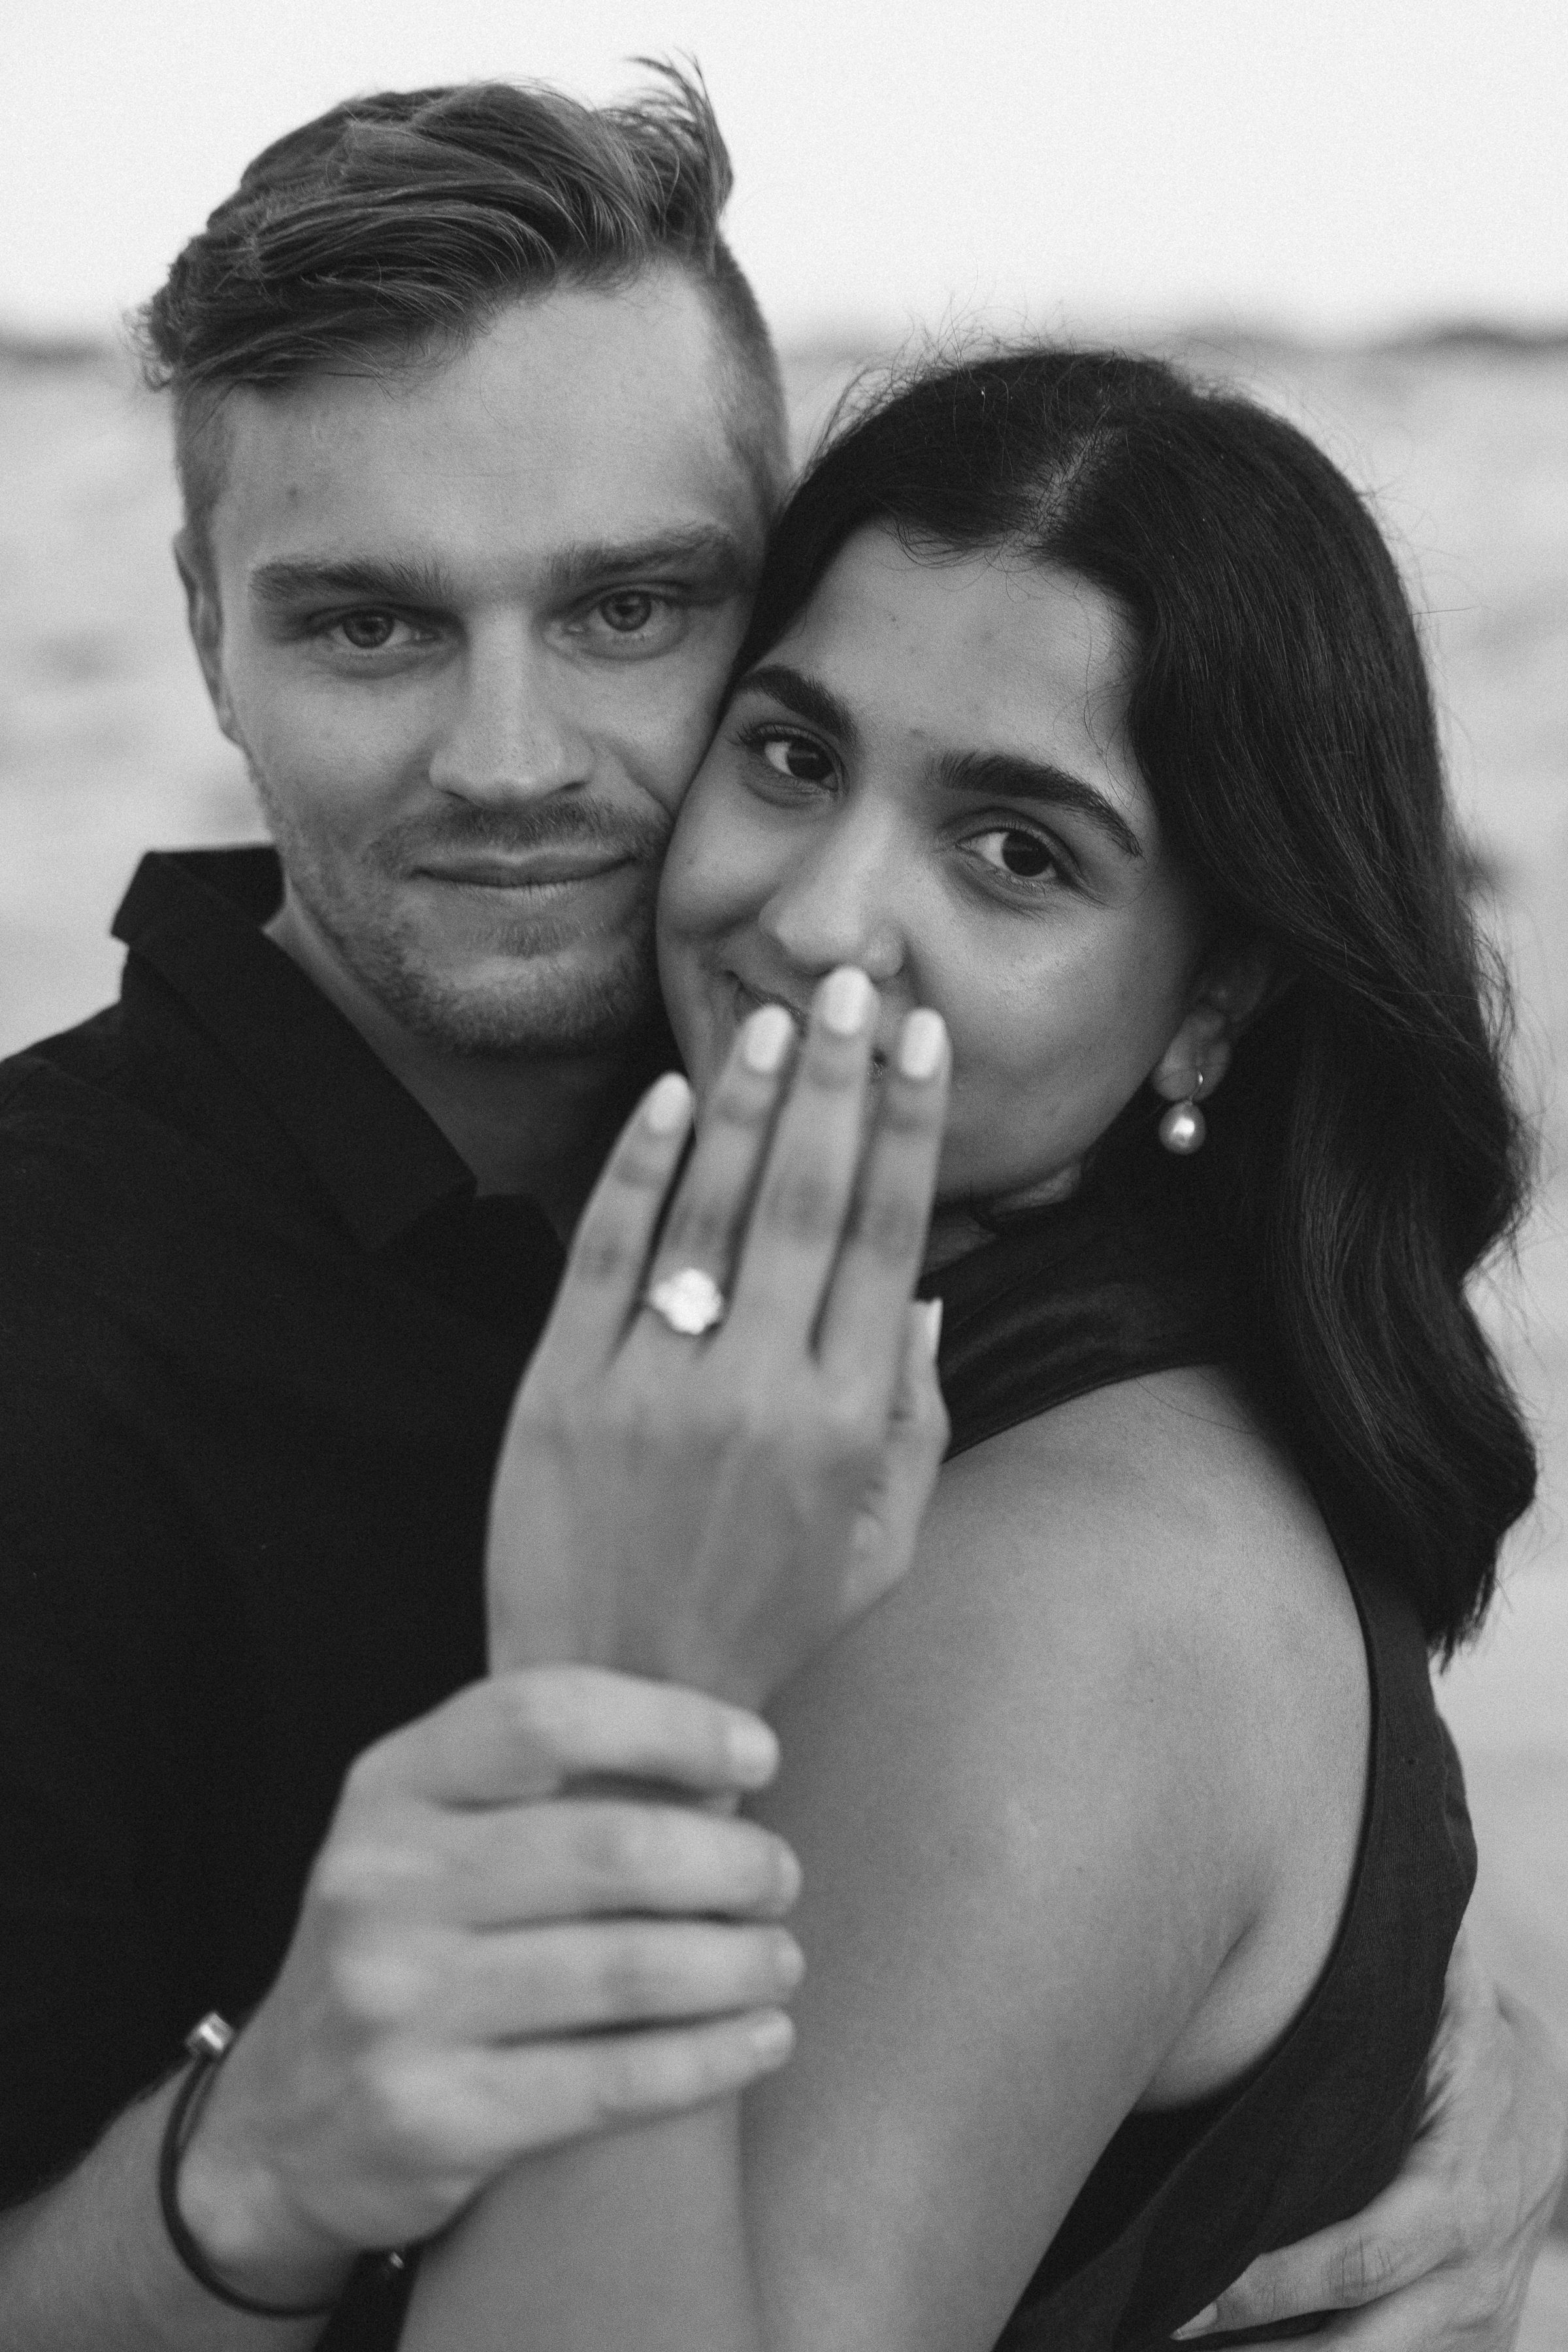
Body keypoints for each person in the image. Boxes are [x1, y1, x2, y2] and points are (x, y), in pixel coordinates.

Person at [0, 69, 1559, 2352]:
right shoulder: (50, 1324)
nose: (514, 761)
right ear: (201, 624)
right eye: (364, 627)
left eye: (633, 610)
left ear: (765, 574)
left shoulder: (1012, 1365)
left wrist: (1427, 2022)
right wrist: (252, 2179)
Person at [397, 345, 1565, 2350]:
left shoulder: (1064, 1597)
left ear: (1216, 1006)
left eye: (1017, 851)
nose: (824, 914)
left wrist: (617, 1684)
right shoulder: (859, 1389)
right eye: (790, 758)